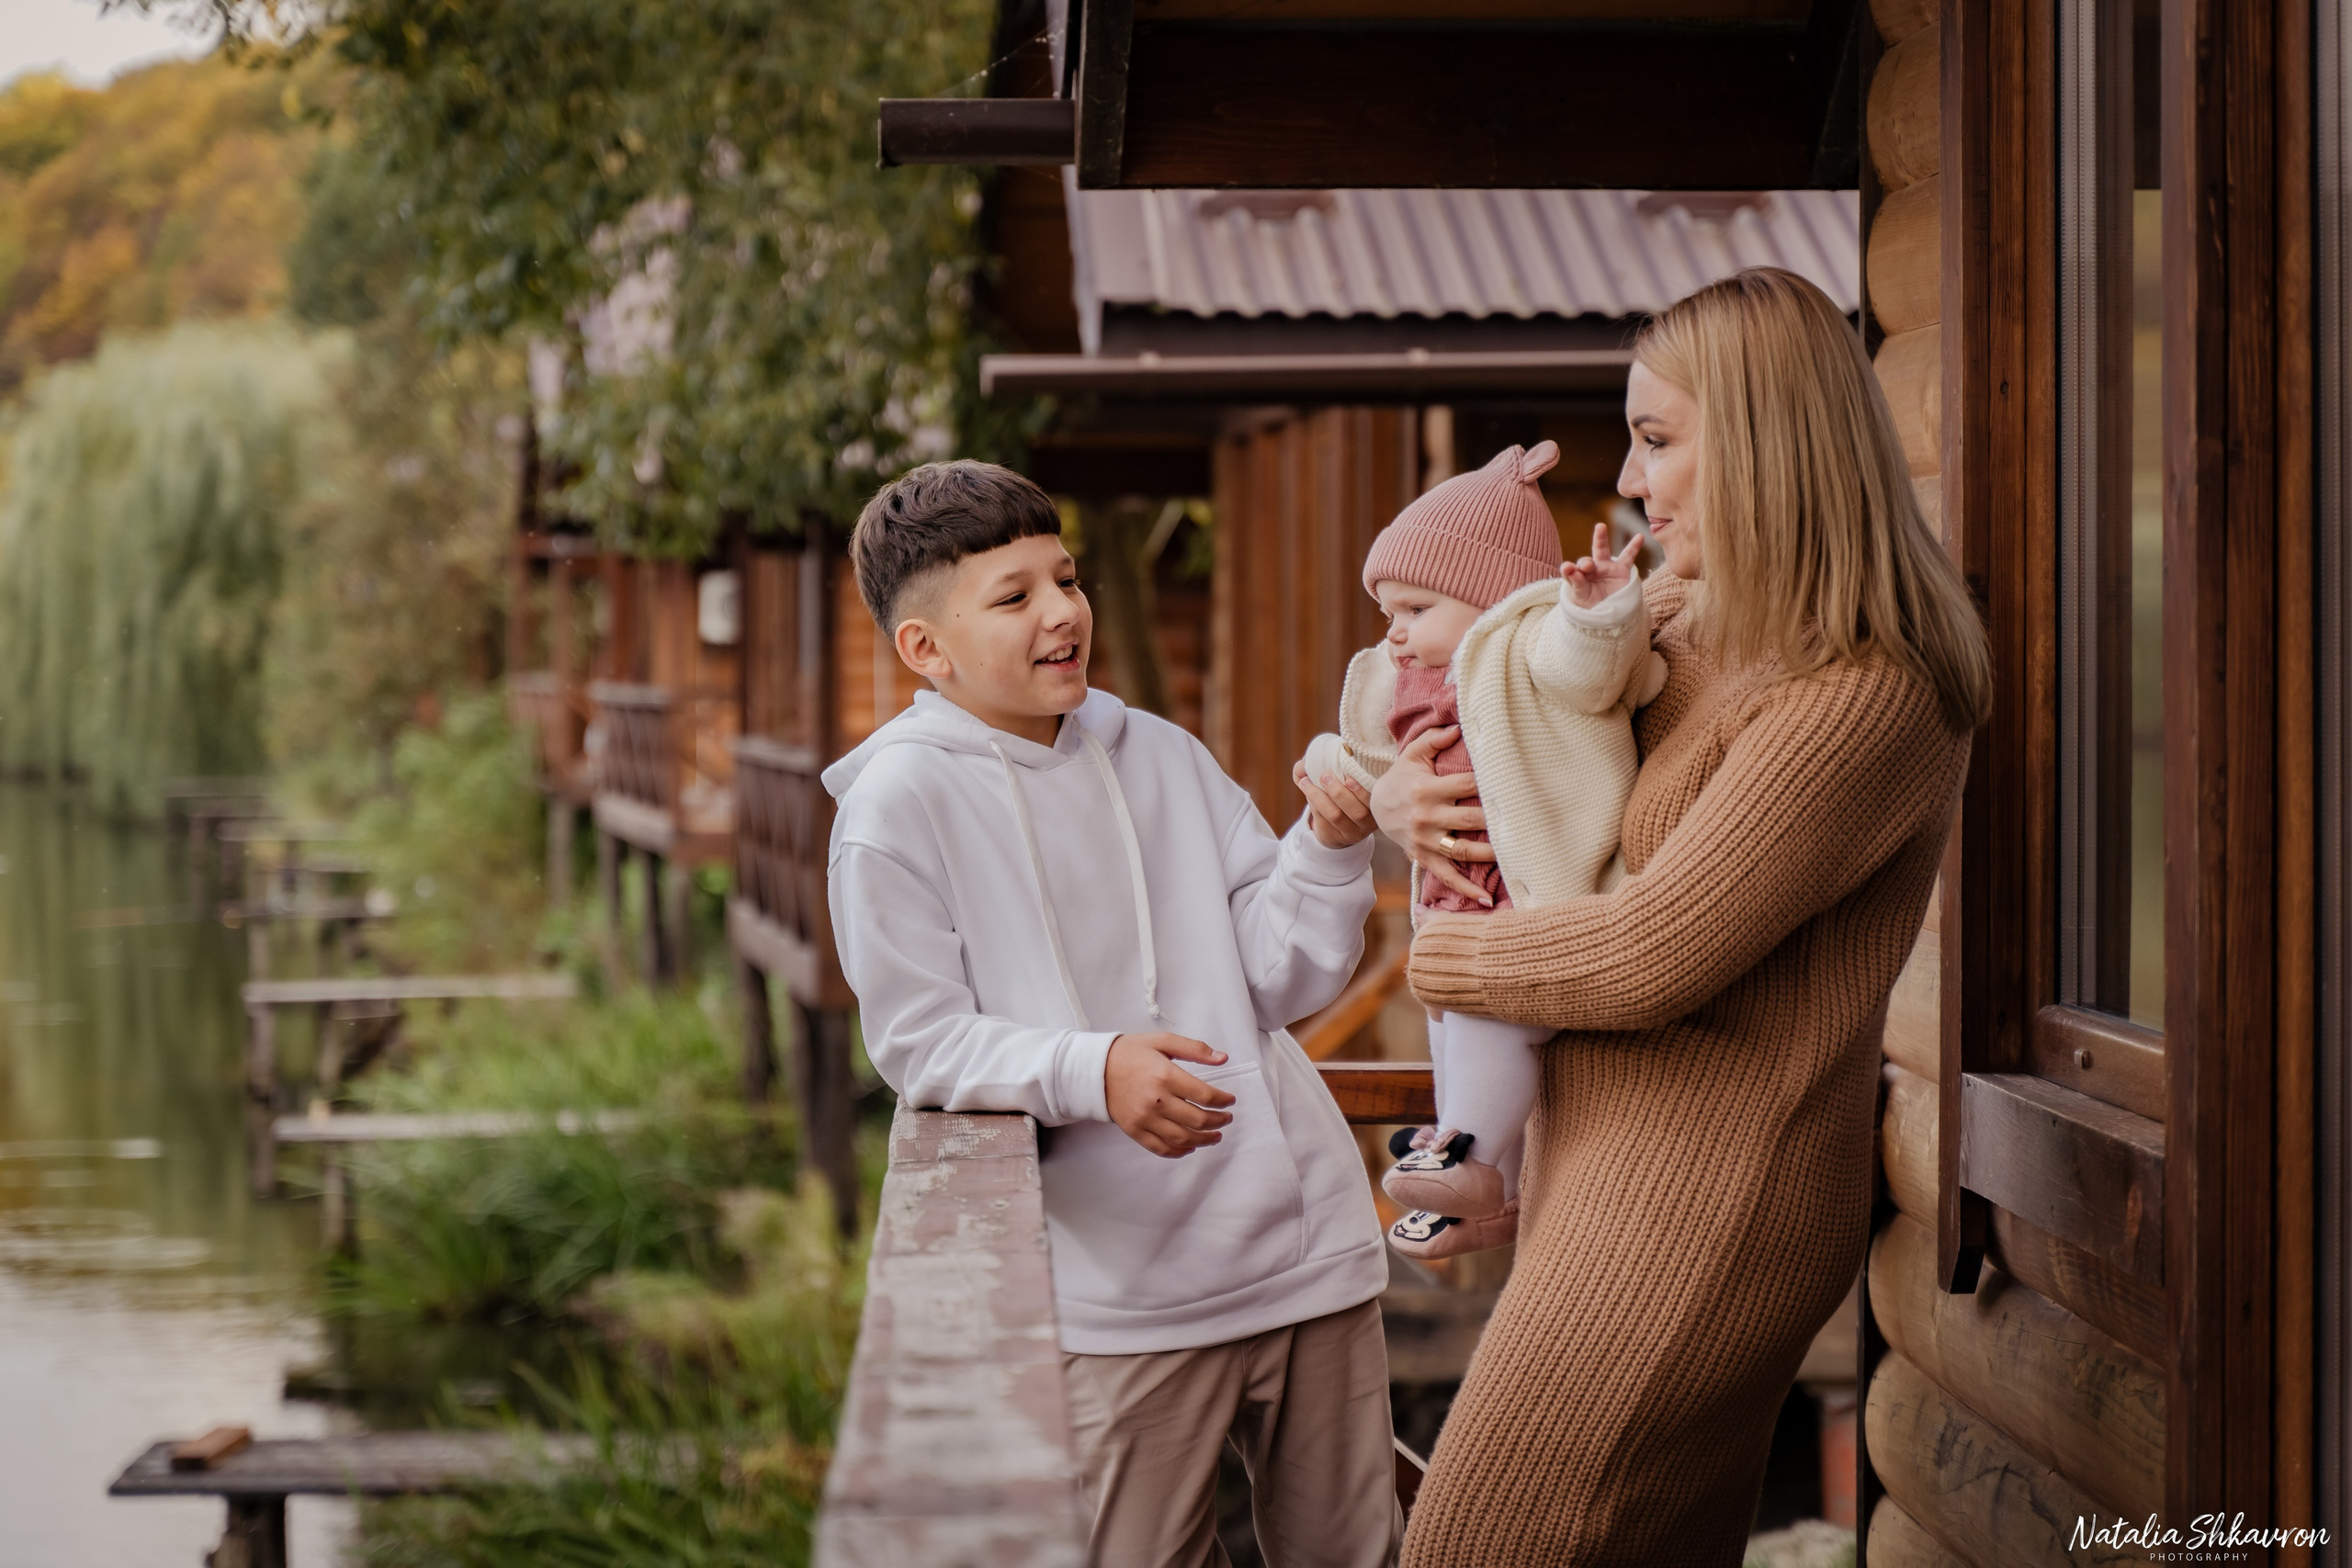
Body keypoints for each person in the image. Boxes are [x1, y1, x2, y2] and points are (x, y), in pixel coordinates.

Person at [1373, 269, 1992, 1566]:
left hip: (1711, 1191)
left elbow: (1655, 949)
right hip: (1606, 1161)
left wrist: (1442, 950)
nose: (1636, 478)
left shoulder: (1866, 693)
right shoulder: (1669, 620)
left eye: (1659, 440)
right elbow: (1491, 728)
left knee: (1476, 1545)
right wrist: (1397, 797)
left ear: (1765, 438)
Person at [822, 460, 1401, 1568]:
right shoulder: (894, 809)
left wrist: (1327, 851)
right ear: (924, 650)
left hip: (1308, 1253)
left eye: (1068, 579)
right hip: (1114, 1296)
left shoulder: (1160, 753)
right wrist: (1096, 1073)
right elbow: (918, 1042)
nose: (1062, 613)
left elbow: (1275, 980)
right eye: (1014, 596)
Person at [1295, 440, 1664, 1260]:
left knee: (1493, 1029)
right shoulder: (1410, 683)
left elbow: (1590, 667)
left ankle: (1469, 1153)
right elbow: (1365, 758)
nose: (1394, 634)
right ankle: (1483, 1179)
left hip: (1530, 908)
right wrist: (1326, 765)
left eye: (1416, 610)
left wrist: (1597, 611)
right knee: (1455, 1033)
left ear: (1491, 600)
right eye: (1388, 614)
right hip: (1455, 910)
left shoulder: (1525, 651)